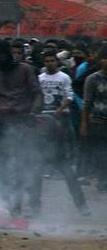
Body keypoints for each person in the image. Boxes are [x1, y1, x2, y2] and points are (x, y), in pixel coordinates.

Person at [0, 39, 42, 217]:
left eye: (0, 56)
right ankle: (9, 203)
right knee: (2, 166)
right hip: (2, 124)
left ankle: (30, 204)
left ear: (8, 55)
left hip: (23, 121)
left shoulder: (25, 69)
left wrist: (33, 112)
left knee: (25, 164)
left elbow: (37, 94)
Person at [37, 49, 89, 217]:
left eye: (52, 61)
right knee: (36, 167)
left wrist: (59, 110)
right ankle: (34, 206)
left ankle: (82, 206)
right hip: (43, 123)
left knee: (66, 169)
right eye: (47, 61)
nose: (49, 63)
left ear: (57, 62)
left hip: (61, 122)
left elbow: (70, 96)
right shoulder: (40, 78)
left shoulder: (64, 77)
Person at [79, 48, 107, 189]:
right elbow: (87, 103)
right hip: (97, 121)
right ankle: (102, 178)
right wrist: (84, 124)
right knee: (100, 152)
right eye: (104, 58)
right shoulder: (92, 79)